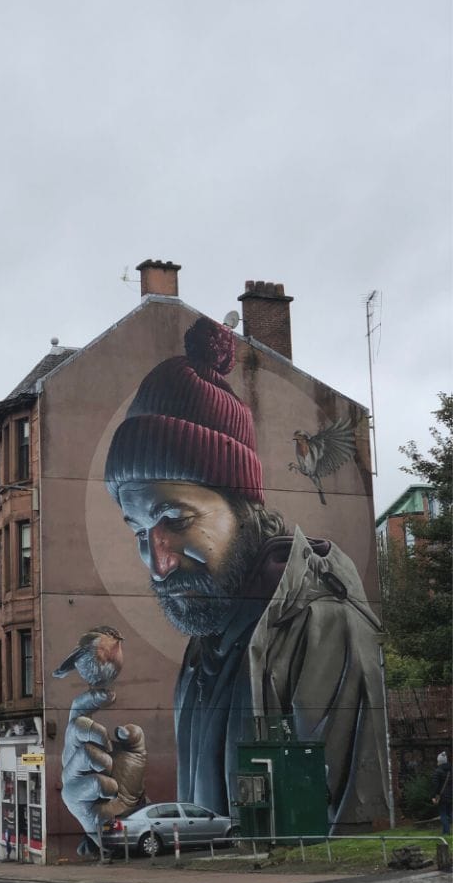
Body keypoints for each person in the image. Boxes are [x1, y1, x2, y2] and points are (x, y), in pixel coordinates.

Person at [60, 316, 390, 843]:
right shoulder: (210, 642)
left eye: (174, 518)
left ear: (245, 506)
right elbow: (216, 830)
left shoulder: (322, 624)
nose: (157, 561)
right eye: (140, 531)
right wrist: (125, 819)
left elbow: (340, 844)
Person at [432, 752, 452, 835]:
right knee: (448, 814)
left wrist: (433, 796)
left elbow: (435, 785)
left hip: (442, 796)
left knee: (443, 814)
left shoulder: (438, 771)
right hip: (451, 796)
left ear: (439, 761)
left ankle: (446, 832)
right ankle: (444, 831)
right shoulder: (451, 770)